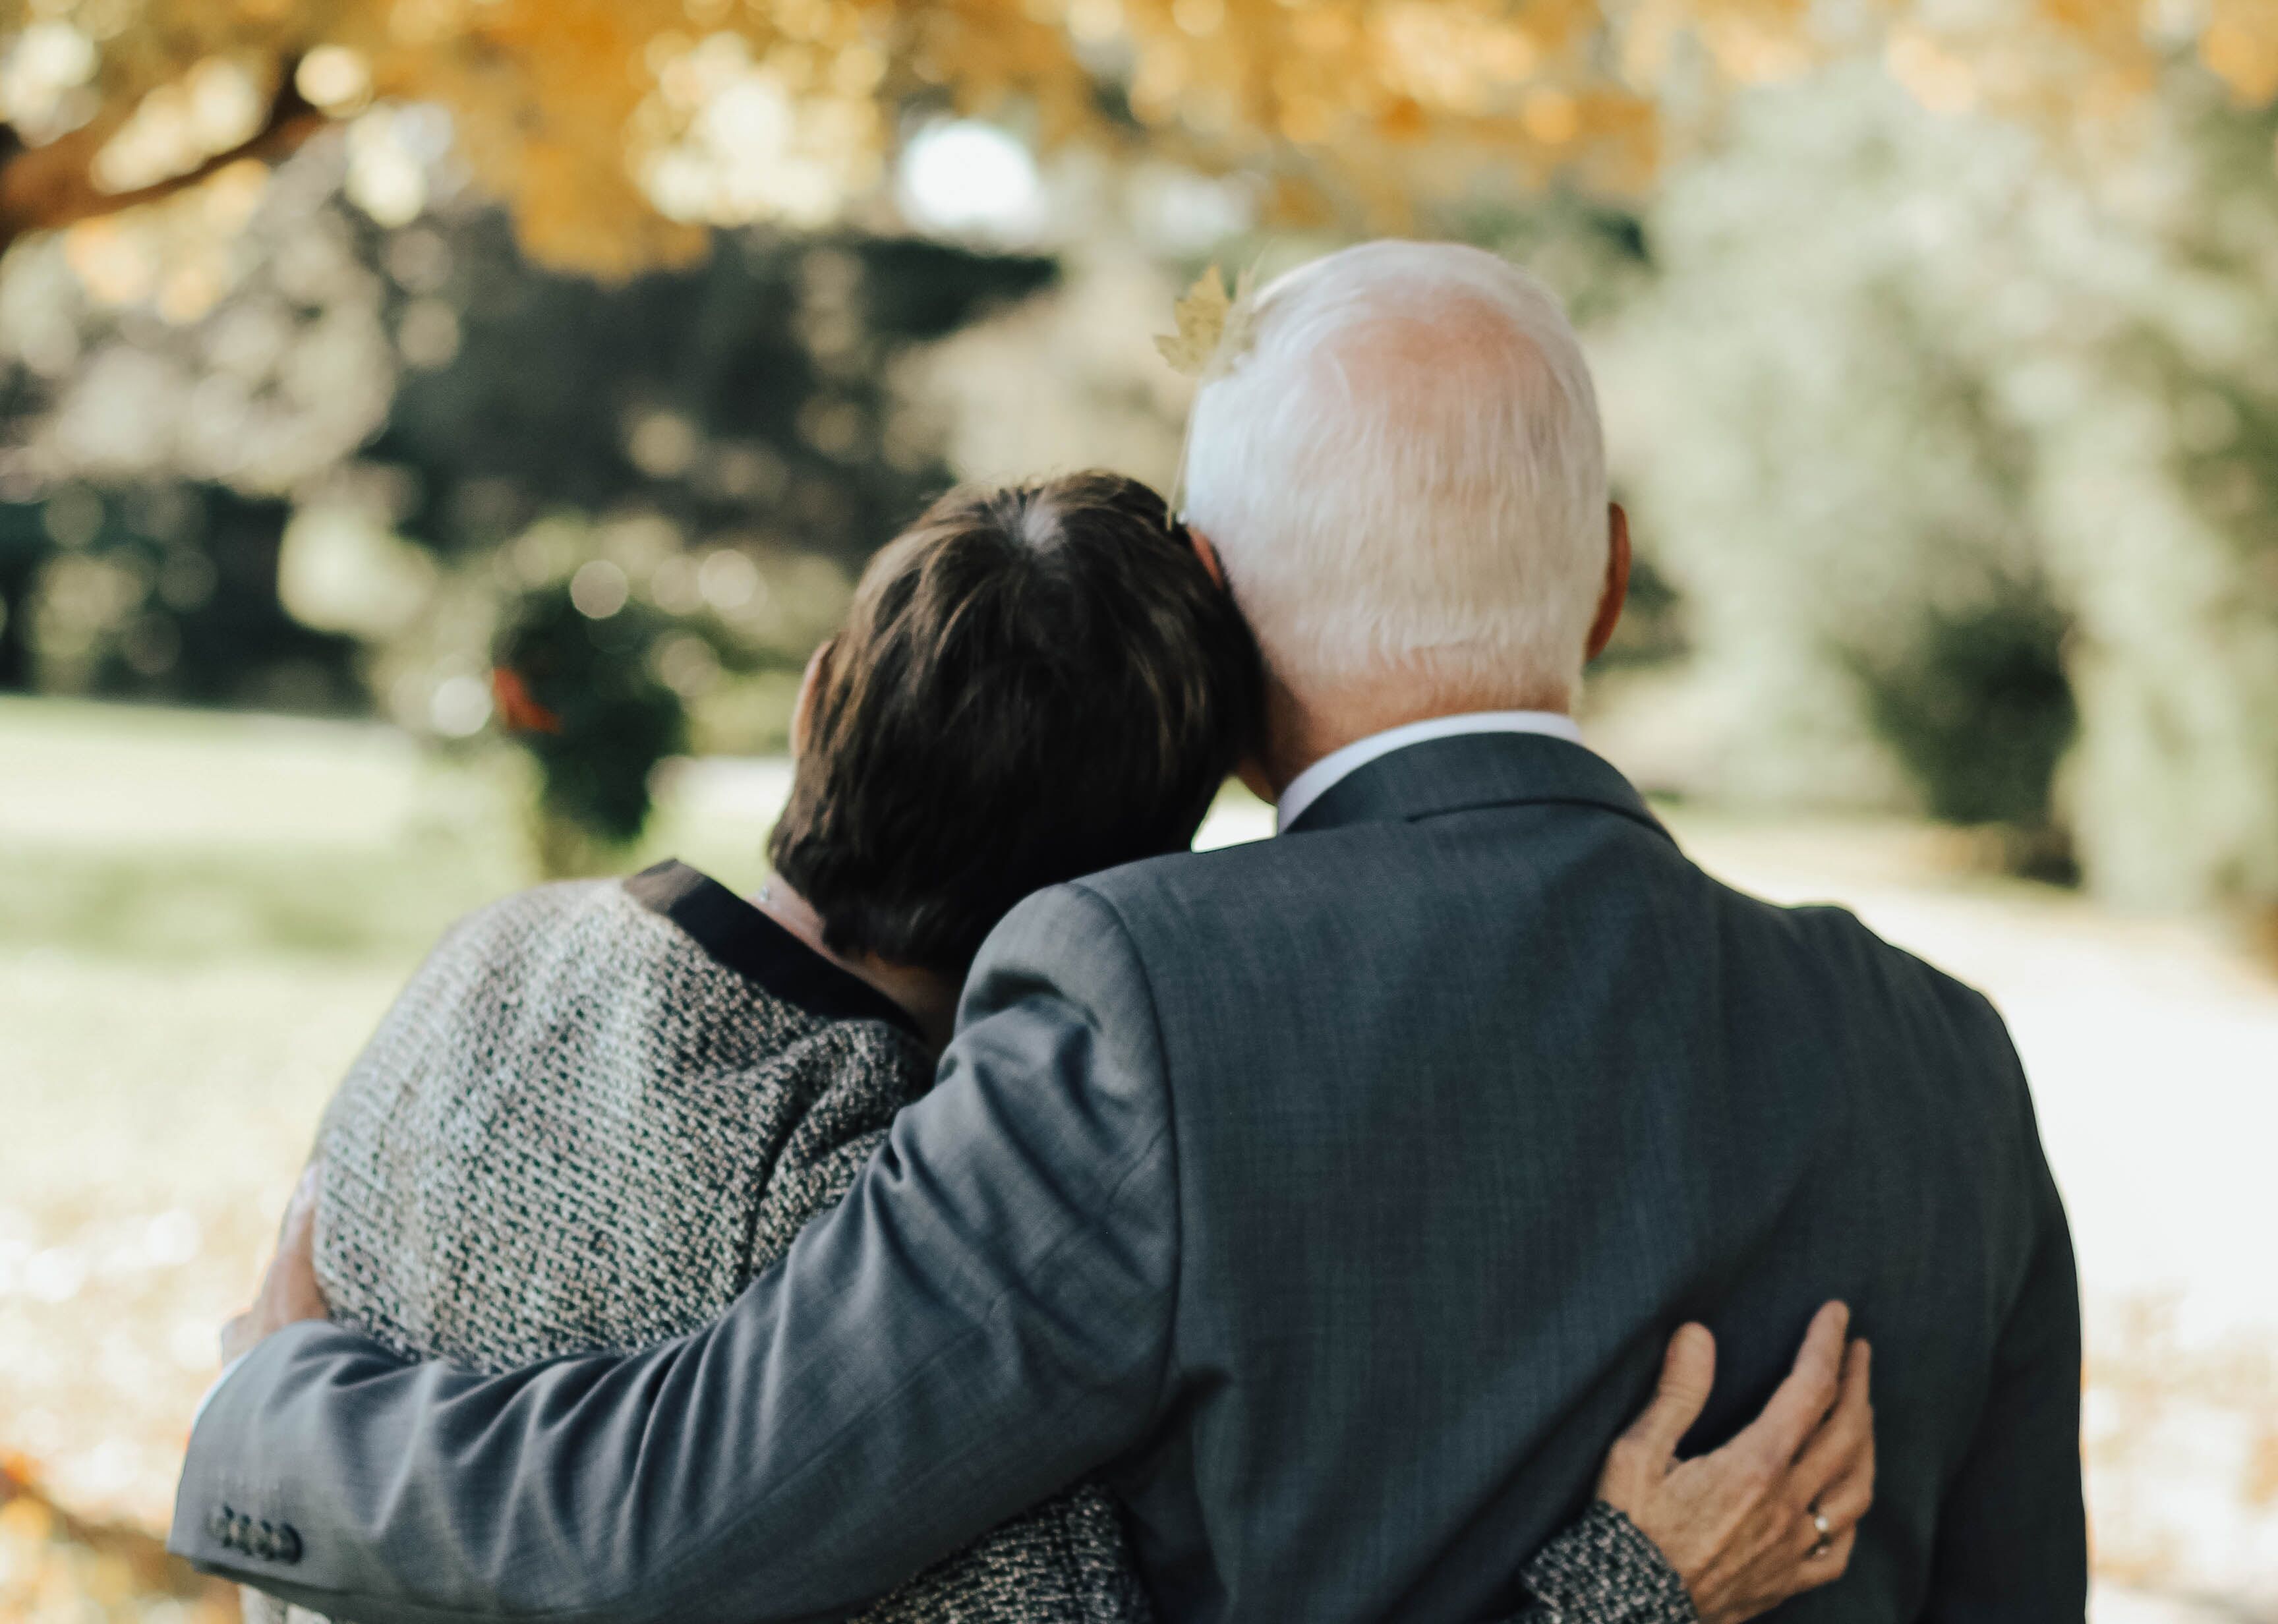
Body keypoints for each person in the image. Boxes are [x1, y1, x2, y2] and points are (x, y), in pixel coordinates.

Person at [174, 241, 2082, 1621]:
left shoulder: (1137, 1003)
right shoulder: (1948, 1061)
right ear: (1604, 573)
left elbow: (681, 1525)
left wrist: (274, 1418)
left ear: (1228, 621)